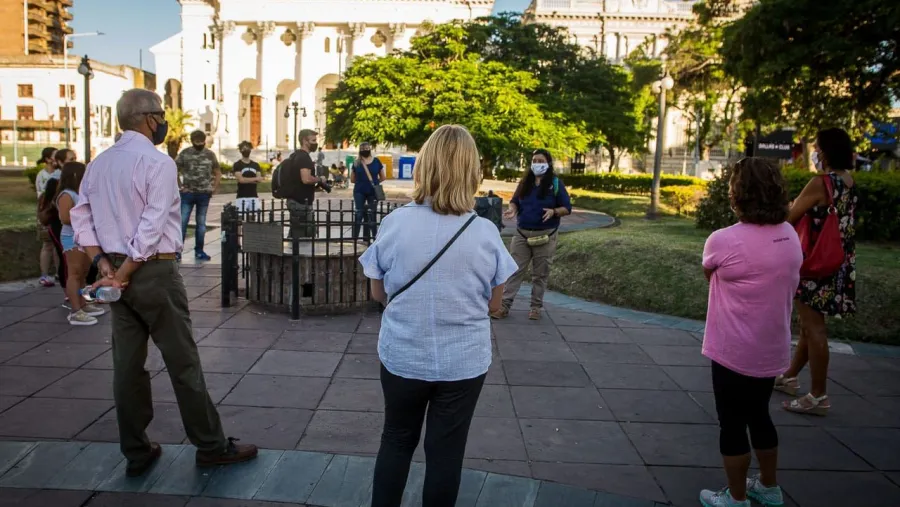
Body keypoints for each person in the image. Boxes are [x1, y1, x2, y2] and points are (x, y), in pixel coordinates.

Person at [71, 88, 257, 477]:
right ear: (148, 118)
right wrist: (122, 273)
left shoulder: (99, 164)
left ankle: (136, 450)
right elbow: (153, 224)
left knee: (127, 365)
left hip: (115, 270)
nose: (164, 122)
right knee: (182, 361)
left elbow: (81, 217)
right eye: (160, 114)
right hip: (151, 271)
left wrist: (103, 265)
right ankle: (210, 445)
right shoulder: (157, 163)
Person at [360, 125, 518, 507]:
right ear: (471, 172)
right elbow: (495, 305)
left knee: (396, 439)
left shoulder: (395, 224)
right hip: (462, 361)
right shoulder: (484, 233)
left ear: (424, 167)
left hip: (403, 355)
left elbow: (377, 293)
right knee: (446, 453)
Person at [698, 157, 801, 507]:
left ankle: (736, 498)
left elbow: (710, 273)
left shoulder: (723, 240)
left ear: (738, 194)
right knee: (760, 415)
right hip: (772, 350)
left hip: (732, 351)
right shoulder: (789, 235)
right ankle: (769, 488)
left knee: (731, 424)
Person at [775, 128, 858, 416]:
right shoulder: (847, 181)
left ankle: (819, 395)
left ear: (826, 151)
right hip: (837, 263)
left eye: (819, 148)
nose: (817, 153)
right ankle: (788, 376)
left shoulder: (820, 182)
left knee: (814, 328)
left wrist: (788, 207)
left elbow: (790, 216)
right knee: (809, 326)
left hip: (813, 264)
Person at [491, 149, 571, 321]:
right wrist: (512, 210)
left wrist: (554, 211)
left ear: (548, 163)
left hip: (545, 235)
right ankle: (504, 306)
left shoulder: (555, 183)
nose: (537, 164)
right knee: (514, 270)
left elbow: (567, 208)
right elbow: (514, 201)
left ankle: (535, 307)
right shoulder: (525, 183)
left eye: (541, 161)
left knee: (540, 273)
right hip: (522, 234)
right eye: (534, 160)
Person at [55, 162, 107, 326]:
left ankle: (83, 304)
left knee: (83, 273)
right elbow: (64, 218)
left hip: (85, 236)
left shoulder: (80, 193)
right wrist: (84, 217)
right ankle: (76, 311)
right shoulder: (66, 195)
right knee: (75, 273)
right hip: (72, 237)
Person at [176, 130, 221, 261]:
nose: (199, 144)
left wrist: (213, 187)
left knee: (201, 224)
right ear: (192, 141)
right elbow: (174, 168)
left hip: (204, 194)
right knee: (183, 223)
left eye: (201, 142)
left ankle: (199, 251)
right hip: (188, 193)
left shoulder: (210, 154)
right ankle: (178, 252)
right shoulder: (185, 153)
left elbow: (217, 171)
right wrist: (179, 186)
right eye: (197, 142)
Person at [279, 129, 328, 238]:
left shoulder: (295, 155)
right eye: (313, 140)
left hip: (296, 201)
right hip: (301, 203)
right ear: (305, 141)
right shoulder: (304, 157)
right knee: (304, 235)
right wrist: (320, 179)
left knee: (296, 232)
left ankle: (290, 253)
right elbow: (306, 179)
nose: (315, 143)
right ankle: (296, 254)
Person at [36, 147, 60, 288]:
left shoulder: (60, 173)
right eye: (54, 156)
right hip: (47, 212)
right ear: (47, 159)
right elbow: (41, 195)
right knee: (47, 244)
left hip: (56, 212)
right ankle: (44, 275)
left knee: (58, 246)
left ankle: (59, 273)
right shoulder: (42, 175)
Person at [351, 142, 385, 242]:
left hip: (372, 191)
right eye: (363, 148)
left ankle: (374, 238)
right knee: (359, 214)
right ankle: (354, 239)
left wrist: (374, 182)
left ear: (370, 149)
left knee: (372, 215)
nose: (365, 150)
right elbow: (352, 179)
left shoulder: (376, 161)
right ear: (360, 150)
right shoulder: (356, 162)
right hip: (359, 191)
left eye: (367, 148)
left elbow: (383, 177)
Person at [233, 141, 263, 213]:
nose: (246, 150)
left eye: (248, 148)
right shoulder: (237, 164)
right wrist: (255, 179)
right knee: (240, 219)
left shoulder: (256, 165)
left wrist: (245, 179)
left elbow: (259, 180)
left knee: (253, 219)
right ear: (240, 150)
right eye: (244, 148)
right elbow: (240, 180)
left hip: (254, 196)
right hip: (241, 197)